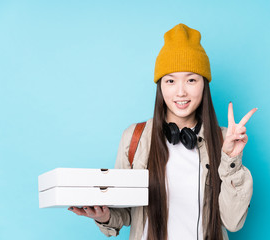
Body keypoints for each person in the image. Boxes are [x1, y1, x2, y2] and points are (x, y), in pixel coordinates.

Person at [68, 23, 257, 240]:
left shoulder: (223, 140)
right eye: (170, 81)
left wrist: (231, 159)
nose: (180, 91)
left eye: (191, 80)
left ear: (204, 84)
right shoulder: (135, 138)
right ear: (160, 86)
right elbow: (127, 212)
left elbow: (233, 222)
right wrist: (104, 216)